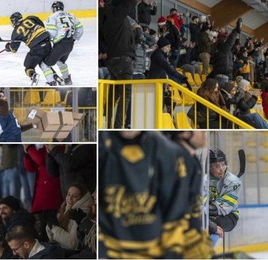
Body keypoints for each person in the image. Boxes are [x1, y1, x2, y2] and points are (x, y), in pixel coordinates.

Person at [99, 131, 213, 258]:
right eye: (201, 130)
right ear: (184, 133)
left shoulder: (174, 155)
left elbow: (176, 215)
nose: (205, 134)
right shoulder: (104, 147)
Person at [102, 0, 136, 129]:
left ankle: (109, 124)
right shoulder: (116, 14)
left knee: (114, 95)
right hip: (123, 60)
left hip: (113, 60)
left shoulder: (107, 19)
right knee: (125, 95)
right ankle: (118, 126)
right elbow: (129, 3)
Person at [41, 1, 84, 86]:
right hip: (70, 44)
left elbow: (51, 32)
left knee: (44, 65)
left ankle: (51, 82)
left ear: (54, 9)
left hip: (60, 45)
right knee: (60, 61)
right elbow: (80, 30)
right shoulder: (72, 15)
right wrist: (73, 38)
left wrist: (44, 40)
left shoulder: (52, 17)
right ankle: (67, 79)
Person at [6, 12, 52, 84]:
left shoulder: (15, 32)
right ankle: (54, 76)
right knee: (43, 62)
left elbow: (14, 49)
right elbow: (42, 25)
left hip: (37, 47)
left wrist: (8, 47)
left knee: (28, 67)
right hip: (47, 42)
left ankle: (33, 75)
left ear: (14, 21)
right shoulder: (31, 18)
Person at [208, 149, 242, 245]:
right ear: (210, 167)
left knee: (212, 226)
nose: (221, 169)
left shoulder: (234, 182)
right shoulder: (204, 179)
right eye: (217, 166)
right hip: (208, 214)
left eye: (223, 164)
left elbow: (222, 208)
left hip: (229, 216)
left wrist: (203, 210)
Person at [45, 183, 93, 250]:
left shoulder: (80, 214)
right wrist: (50, 226)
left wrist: (54, 228)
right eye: (69, 194)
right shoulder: (64, 208)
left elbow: (73, 244)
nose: (69, 198)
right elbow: (52, 239)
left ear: (82, 199)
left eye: (75, 196)